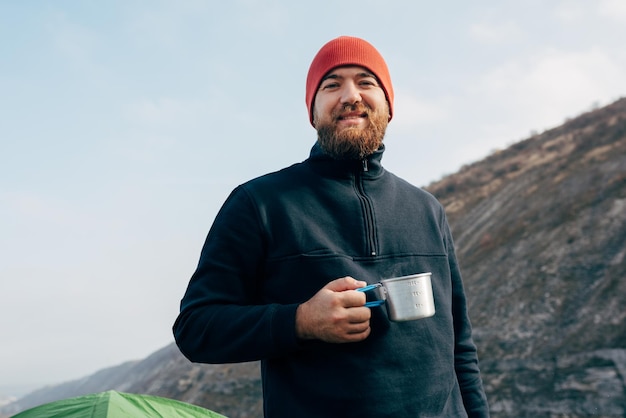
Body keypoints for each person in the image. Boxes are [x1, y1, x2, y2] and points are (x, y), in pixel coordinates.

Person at [173, 36, 489, 417]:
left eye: (366, 81)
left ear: (389, 106)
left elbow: (460, 348)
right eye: (332, 84)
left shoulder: (427, 209)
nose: (350, 95)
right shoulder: (260, 203)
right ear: (313, 110)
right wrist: (300, 320)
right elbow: (196, 329)